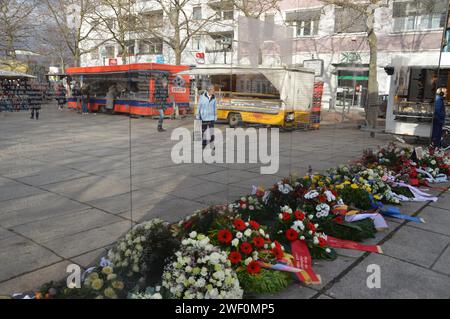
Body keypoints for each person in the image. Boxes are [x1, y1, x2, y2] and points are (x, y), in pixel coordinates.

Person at [196, 84, 217, 150]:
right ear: (209, 90)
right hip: (204, 117)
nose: (213, 91)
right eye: (212, 90)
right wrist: (197, 115)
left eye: (213, 90)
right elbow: (199, 106)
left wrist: (215, 116)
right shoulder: (202, 97)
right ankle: (204, 144)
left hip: (211, 117)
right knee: (204, 132)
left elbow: (215, 107)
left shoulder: (214, 98)